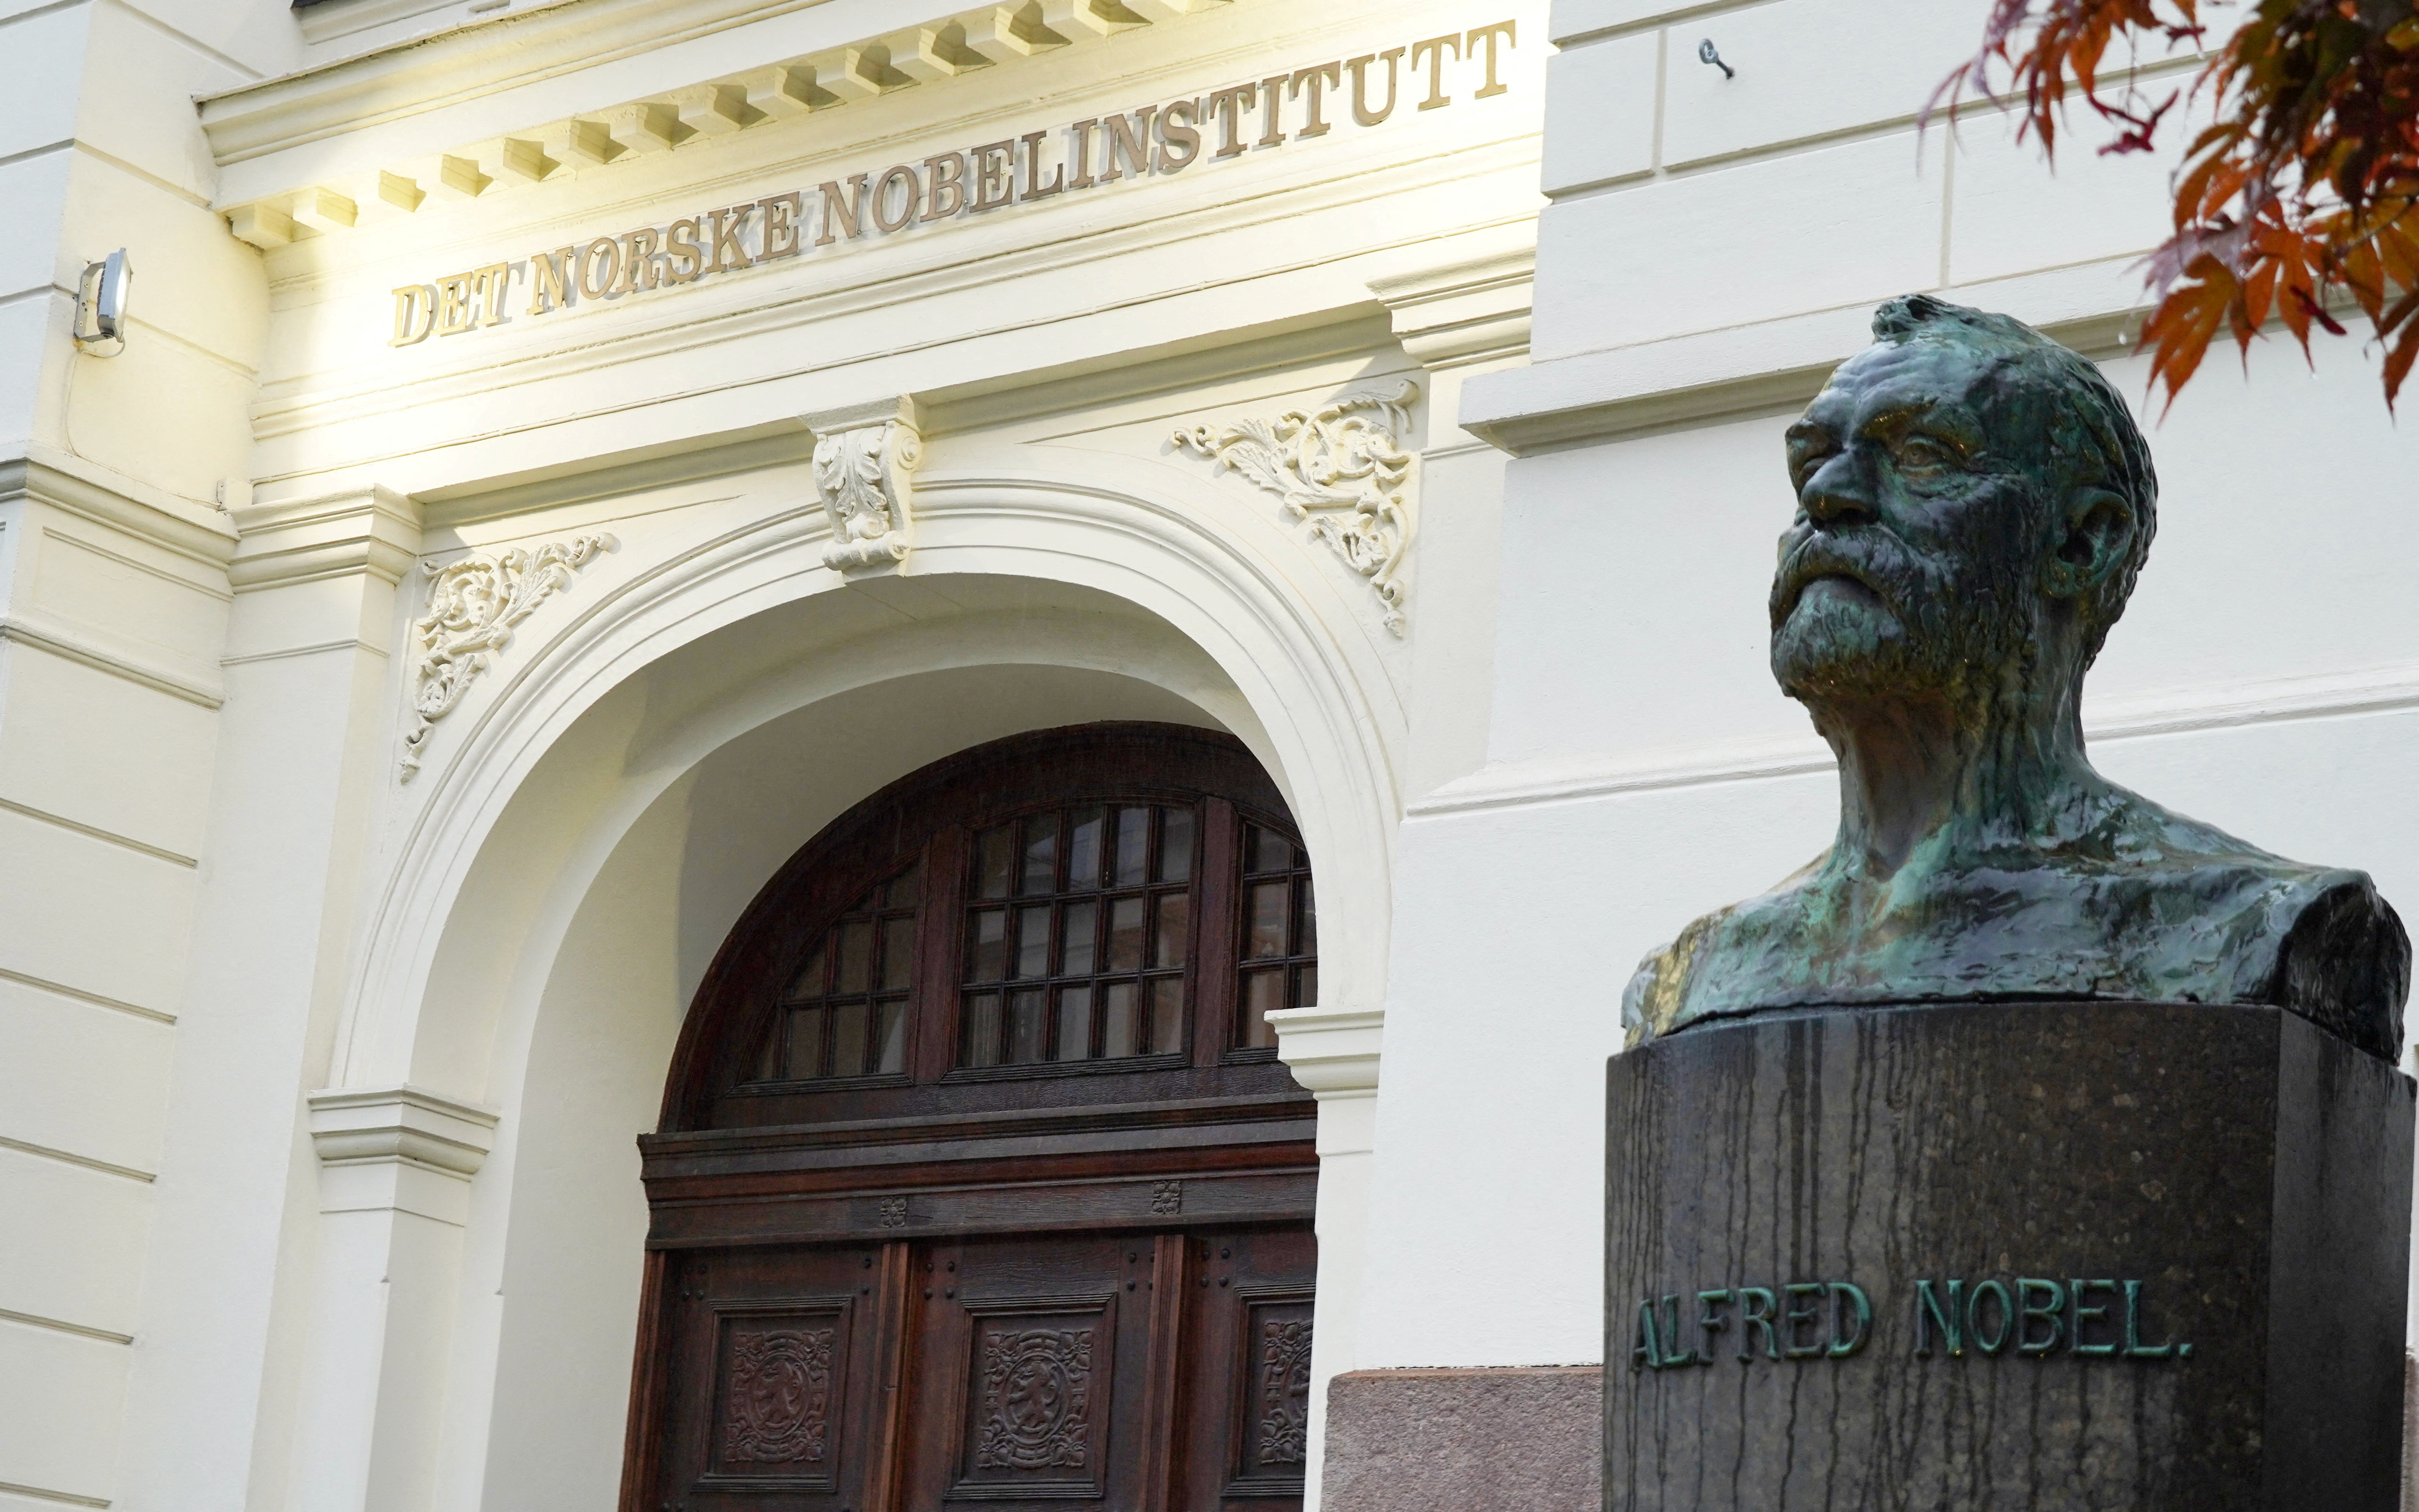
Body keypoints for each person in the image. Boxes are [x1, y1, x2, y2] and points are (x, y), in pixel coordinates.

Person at [1622, 295, 2409, 1059]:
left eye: (1923, 456)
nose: (1827, 496)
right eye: (1811, 464)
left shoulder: (2255, 929)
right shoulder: (1696, 978)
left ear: (2082, 543)